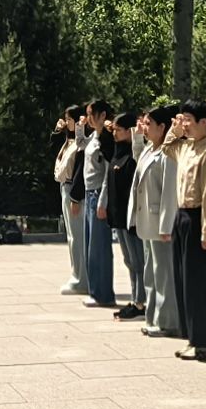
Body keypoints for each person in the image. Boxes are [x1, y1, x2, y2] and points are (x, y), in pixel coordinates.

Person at [172, 104, 206, 360]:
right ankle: (193, 338)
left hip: (198, 219)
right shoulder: (187, 147)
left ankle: (205, 342)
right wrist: (175, 129)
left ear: (204, 122)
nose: (184, 124)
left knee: (200, 284)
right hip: (182, 216)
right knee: (185, 282)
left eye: (188, 120)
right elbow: (167, 147)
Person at [132, 105, 179, 335]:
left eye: (149, 124)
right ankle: (152, 317)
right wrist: (136, 137)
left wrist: (166, 224)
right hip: (147, 221)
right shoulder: (149, 149)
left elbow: (170, 192)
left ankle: (167, 321)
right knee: (151, 271)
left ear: (162, 127)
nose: (145, 127)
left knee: (164, 274)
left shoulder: (168, 153)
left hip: (160, 222)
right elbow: (138, 163)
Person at [97, 112, 141, 317]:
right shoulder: (117, 150)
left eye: (119, 130)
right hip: (118, 215)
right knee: (129, 261)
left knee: (138, 261)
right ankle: (135, 298)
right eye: (113, 130)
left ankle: (141, 301)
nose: (114, 133)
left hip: (131, 216)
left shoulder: (135, 153)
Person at [80, 99, 122, 308]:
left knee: (100, 248)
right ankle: (95, 290)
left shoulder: (106, 140)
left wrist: (103, 201)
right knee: (90, 246)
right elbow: (80, 145)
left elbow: (107, 174)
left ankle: (103, 293)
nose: (88, 118)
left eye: (91, 114)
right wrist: (79, 127)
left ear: (102, 115)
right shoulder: (93, 137)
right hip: (89, 193)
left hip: (98, 194)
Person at [56, 107, 93, 297]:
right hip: (65, 186)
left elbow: (80, 170)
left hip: (73, 189)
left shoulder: (82, 142)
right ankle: (76, 275)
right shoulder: (69, 140)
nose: (67, 122)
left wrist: (75, 197)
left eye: (69, 119)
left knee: (77, 237)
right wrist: (59, 131)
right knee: (72, 236)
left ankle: (81, 279)